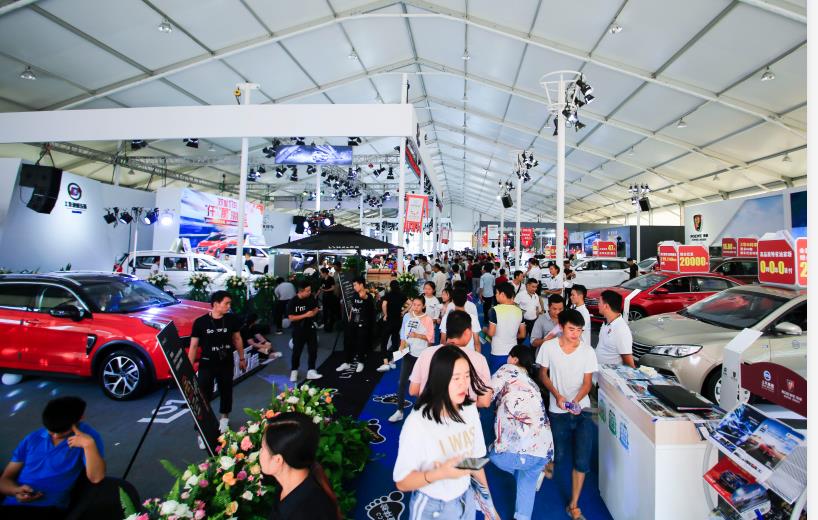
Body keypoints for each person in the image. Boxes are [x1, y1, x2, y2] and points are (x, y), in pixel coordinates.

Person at [394, 345, 490, 520]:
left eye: (467, 376)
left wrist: (489, 507)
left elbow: (474, 462)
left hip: (466, 499)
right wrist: (440, 474)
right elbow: (402, 482)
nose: (464, 384)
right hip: (433, 508)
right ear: (440, 379)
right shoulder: (417, 423)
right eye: (456, 378)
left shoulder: (469, 410)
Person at [536, 309, 598, 520]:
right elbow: (543, 374)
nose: (576, 334)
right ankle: (550, 462)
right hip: (557, 411)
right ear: (561, 327)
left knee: (582, 460)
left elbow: (587, 383)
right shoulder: (549, 347)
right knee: (560, 454)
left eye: (579, 330)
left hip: (583, 411)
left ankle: (574, 505)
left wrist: (576, 400)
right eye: (572, 329)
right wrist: (557, 396)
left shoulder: (588, 351)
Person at [0, 396, 105, 519]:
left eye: (61, 432)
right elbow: (4, 480)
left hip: (48, 509)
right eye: (51, 431)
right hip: (12, 504)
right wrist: (15, 491)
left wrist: (89, 445)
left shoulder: (89, 438)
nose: (55, 436)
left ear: (80, 418)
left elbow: (96, 478)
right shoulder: (32, 438)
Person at [489, 345, 553, 520]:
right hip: (544, 449)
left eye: (509, 356)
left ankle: (529, 468)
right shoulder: (532, 383)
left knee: (491, 455)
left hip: (523, 448)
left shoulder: (508, 369)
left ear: (514, 359)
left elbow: (487, 395)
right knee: (527, 482)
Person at [260, 412, 341, 520]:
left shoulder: (302, 512)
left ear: (278, 460)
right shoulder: (306, 478)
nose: (260, 453)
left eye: (263, 448)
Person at [189, 290, 247, 440]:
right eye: (226, 303)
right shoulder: (200, 322)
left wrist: (242, 358)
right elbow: (193, 346)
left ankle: (224, 418)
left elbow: (237, 339)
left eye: (230, 303)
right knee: (204, 394)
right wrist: (188, 368)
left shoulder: (231, 320)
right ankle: (203, 427)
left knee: (226, 390)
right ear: (215, 304)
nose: (229, 306)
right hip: (207, 363)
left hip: (226, 362)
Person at [409, 310, 492, 408]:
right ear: (467, 332)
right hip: (464, 415)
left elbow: (413, 390)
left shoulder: (426, 353)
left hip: (430, 412)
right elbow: (484, 402)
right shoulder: (479, 359)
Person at [388, 296, 434, 423]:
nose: (416, 307)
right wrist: (402, 346)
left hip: (421, 356)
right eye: (414, 304)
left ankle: (422, 410)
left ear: (423, 306)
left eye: (419, 305)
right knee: (402, 382)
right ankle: (399, 410)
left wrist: (417, 335)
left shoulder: (428, 319)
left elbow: (430, 338)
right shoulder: (407, 316)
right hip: (408, 354)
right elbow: (403, 333)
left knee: (422, 384)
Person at [484, 282, 526, 373]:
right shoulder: (519, 311)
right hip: (513, 353)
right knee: (511, 377)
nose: (495, 295)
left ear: (502, 294)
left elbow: (491, 333)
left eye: (496, 293)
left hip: (498, 351)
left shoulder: (494, 310)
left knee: (497, 376)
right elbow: (523, 334)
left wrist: (485, 330)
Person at [287, 280, 323, 382]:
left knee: (313, 350)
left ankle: (311, 370)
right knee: (297, 351)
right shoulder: (293, 302)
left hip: (310, 328)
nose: (309, 292)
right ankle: (294, 371)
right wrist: (305, 315)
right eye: (307, 291)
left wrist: (313, 313)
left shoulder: (311, 298)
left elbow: (316, 308)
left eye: (310, 290)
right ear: (301, 291)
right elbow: (291, 318)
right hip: (298, 330)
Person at [337, 277, 375, 373]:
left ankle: (361, 362)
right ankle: (347, 362)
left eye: (355, 285)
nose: (353, 287)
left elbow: (365, 297)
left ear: (361, 284)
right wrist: (350, 316)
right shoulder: (354, 294)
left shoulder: (368, 296)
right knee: (348, 342)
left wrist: (365, 293)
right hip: (353, 322)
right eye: (353, 285)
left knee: (361, 342)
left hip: (363, 323)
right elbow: (352, 306)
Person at [596, 290, 636, 367]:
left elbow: (629, 363)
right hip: (598, 370)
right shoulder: (606, 323)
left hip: (609, 374)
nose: (598, 304)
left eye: (599, 302)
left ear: (606, 306)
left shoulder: (621, 330)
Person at [378, 280, 405, 371]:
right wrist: (403, 311)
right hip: (397, 321)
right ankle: (393, 361)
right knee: (395, 340)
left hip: (389, 321)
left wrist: (385, 314)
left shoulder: (388, 295)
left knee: (384, 341)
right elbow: (410, 303)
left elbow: (384, 304)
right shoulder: (401, 295)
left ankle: (385, 362)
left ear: (390, 287)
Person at [318, 268, 339, 333]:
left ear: (324, 273)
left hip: (330, 297)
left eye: (321, 273)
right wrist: (316, 295)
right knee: (325, 311)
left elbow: (333, 288)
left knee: (331, 311)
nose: (321, 274)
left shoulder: (331, 278)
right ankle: (326, 326)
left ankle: (330, 325)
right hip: (325, 297)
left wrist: (325, 290)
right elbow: (320, 288)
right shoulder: (322, 279)